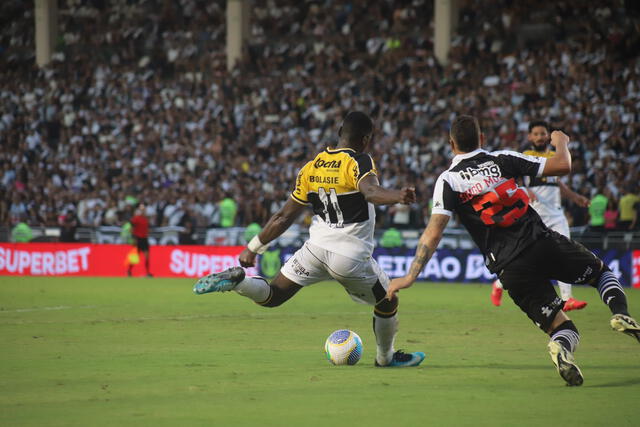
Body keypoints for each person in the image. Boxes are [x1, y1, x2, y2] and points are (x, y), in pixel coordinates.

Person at [387, 115, 639, 386]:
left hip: (510, 267)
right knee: (601, 274)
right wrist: (561, 142)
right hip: (542, 242)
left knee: (560, 326)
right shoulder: (502, 159)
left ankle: (562, 349)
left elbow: (433, 232)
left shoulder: (448, 181)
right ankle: (619, 312)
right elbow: (562, 165)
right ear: (482, 139)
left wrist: (410, 276)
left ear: (451, 144)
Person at [194, 111, 425, 368]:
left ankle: (239, 283)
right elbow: (370, 191)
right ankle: (386, 358)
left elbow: (283, 217)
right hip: (348, 257)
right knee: (388, 299)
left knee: (274, 295)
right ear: (366, 139)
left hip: (314, 250)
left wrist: (252, 248)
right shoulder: (358, 161)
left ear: (339, 133)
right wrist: (398, 196)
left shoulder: (311, 167)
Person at [491, 121, 590, 311]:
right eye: (535, 134)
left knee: (565, 251)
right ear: (529, 137)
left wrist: (575, 197)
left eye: (543, 133)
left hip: (556, 214)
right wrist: (524, 189)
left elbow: (558, 183)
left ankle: (567, 298)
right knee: (524, 256)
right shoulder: (526, 156)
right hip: (534, 214)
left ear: (548, 136)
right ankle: (499, 285)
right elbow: (511, 179)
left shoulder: (554, 157)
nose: (539, 137)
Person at [129, 204, 153, 277]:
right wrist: (134, 238)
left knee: (147, 257)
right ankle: (129, 271)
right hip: (138, 239)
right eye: (142, 210)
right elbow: (131, 228)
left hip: (144, 239)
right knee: (135, 257)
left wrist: (148, 232)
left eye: (144, 210)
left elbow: (147, 228)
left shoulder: (146, 219)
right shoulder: (136, 218)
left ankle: (148, 272)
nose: (143, 211)